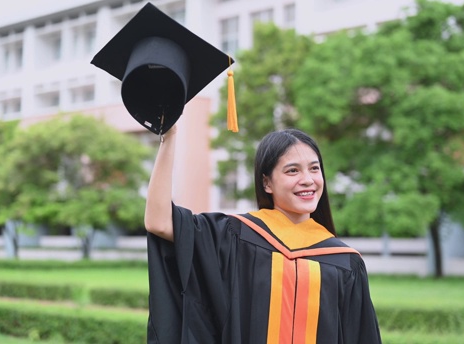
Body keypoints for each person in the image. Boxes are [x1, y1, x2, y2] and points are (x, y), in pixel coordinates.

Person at [144, 125, 382, 344]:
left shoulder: (344, 261)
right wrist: (169, 138)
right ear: (267, 183)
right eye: (292, 171)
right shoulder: (234, 236)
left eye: (314, 168)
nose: (307, 180)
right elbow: (159, 221)